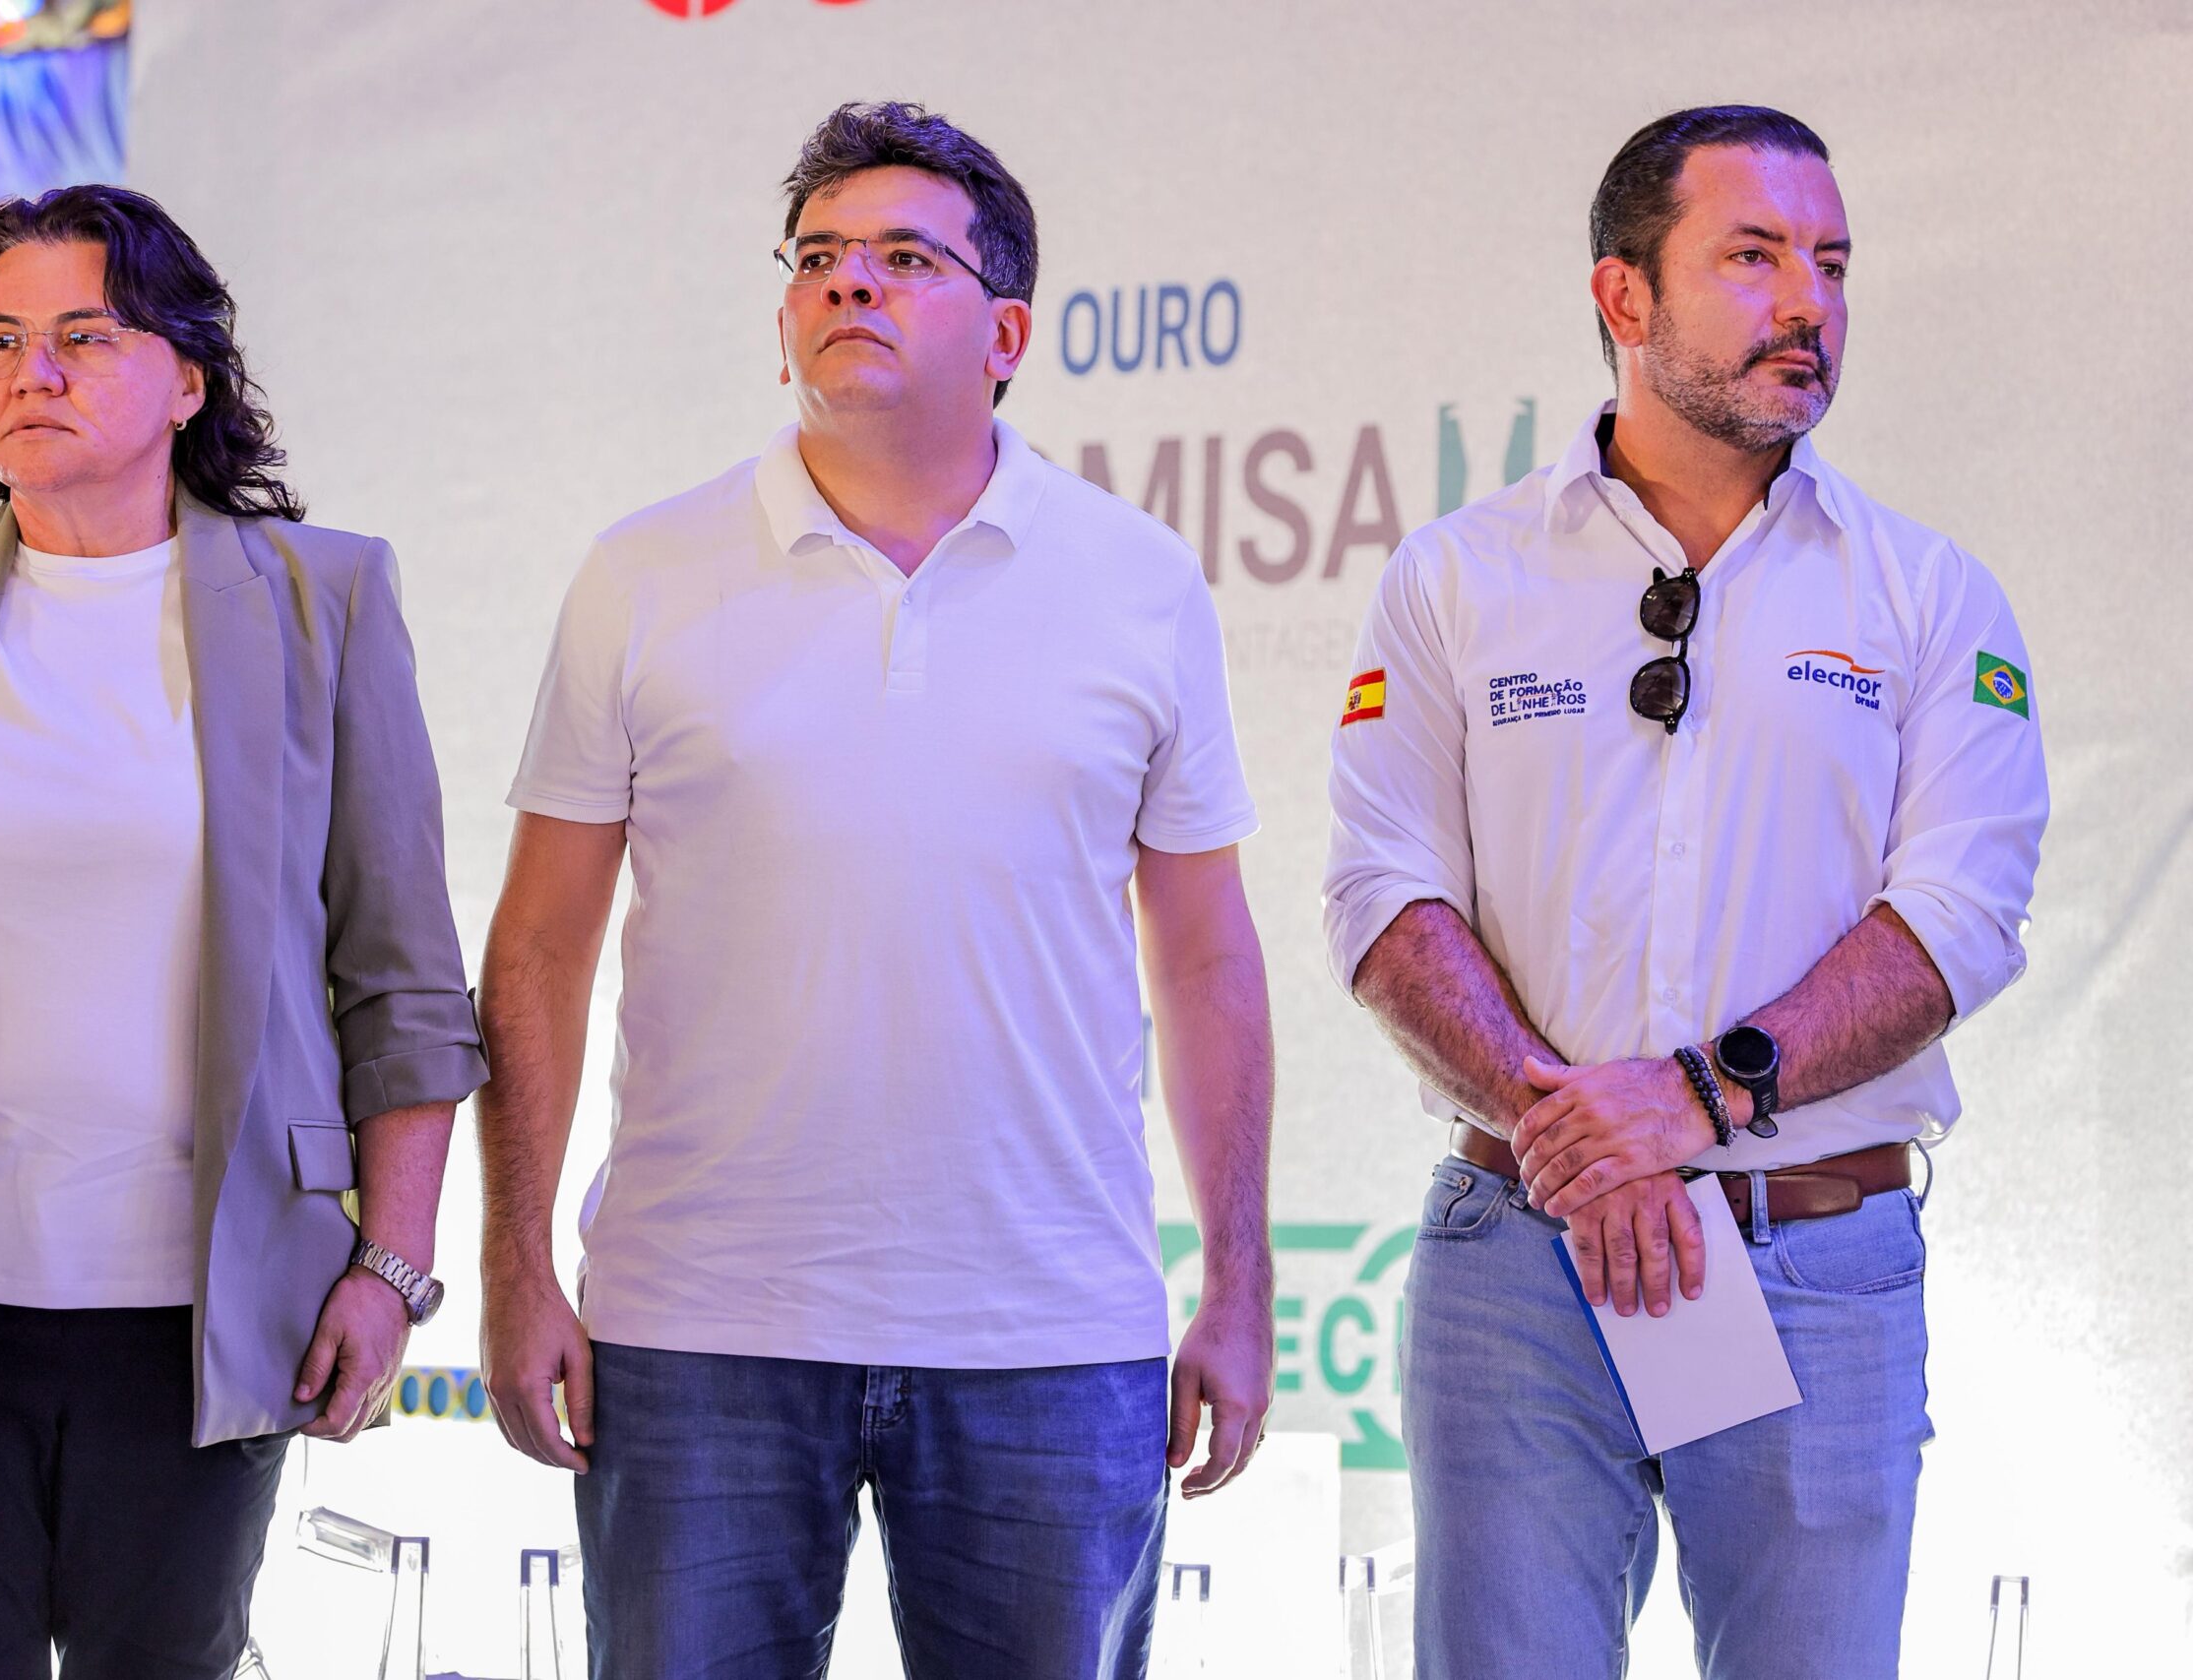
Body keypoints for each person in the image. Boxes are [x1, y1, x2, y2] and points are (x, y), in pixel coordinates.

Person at [477, 100, 1277, 1679]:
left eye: (906, 257)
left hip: (1049, 1333)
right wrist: (512, 1265)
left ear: (1007, 332)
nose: (849, 281)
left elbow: (1205, 958)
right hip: (696, 1323)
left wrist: (1239, 1284)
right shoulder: (643, 574)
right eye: (819, 257)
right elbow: (541, 945)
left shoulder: (1138, 582)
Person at [0, 184, 486, 1680]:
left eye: (84, 335)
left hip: (208, 1305)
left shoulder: (323, 601)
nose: (31, 371)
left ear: (188, 378)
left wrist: (391, 1267)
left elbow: (399, 980)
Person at [1323, 105, 2049, 1678]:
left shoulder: (1928, 593)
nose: (1809, 302)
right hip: (1525, 1255)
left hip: (1809, 1256)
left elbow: (1959, 915)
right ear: (1624, 294)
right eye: (1755, 257)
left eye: (1833, 264)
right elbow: (1384, 894)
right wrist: (1583, 1140)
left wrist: (1694, 1099)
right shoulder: (1457, 574)